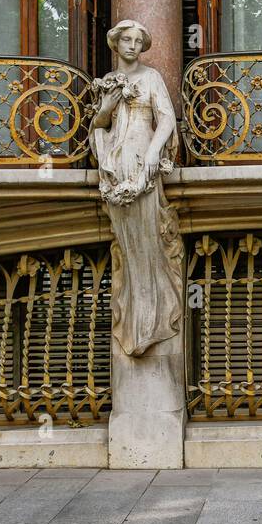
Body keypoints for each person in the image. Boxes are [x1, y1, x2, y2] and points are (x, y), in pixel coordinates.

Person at [89, 20, 183, 356]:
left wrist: (155, 151)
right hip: (116, 159)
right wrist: (109, 103)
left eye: (138, 41)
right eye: (126, 40)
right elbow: (99, 124)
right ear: (115, 43)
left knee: (149, 237)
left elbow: (167, 118)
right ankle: (132, 315)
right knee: (127, 242)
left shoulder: (151, 77)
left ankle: (153, 316)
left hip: (143, 154)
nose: (132, 45)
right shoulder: (108, 82)